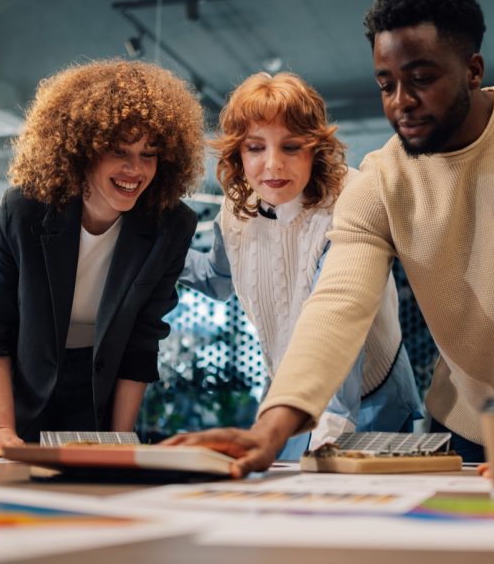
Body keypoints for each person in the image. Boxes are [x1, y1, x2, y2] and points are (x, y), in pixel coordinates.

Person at [166, 0, 494, 480]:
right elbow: (337, 305)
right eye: (387, 84)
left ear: (473, 70)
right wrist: (271, 429)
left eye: (422, 78)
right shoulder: (380, 180)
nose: (400, 102)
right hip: (466, 423)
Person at [0, 59, 205, 458]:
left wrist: (121, 441)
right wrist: (2, 429)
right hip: (6, 403)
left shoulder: (170, 227)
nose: (135, 169)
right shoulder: (24, 211)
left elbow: (142, 340)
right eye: (119, 150)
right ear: (82, 150)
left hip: (93, 399)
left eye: (149, 153)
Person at [178, 72, 421, 458]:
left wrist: (328, 439)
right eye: (255, 148)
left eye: (291, 147)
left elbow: (338, 317)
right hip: (289, 395)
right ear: (238, 153)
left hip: (370, 397)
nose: (272, 165)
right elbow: (216, 280)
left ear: (316, 150)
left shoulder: (349, 199)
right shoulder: (234, 211)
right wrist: (148, 251)